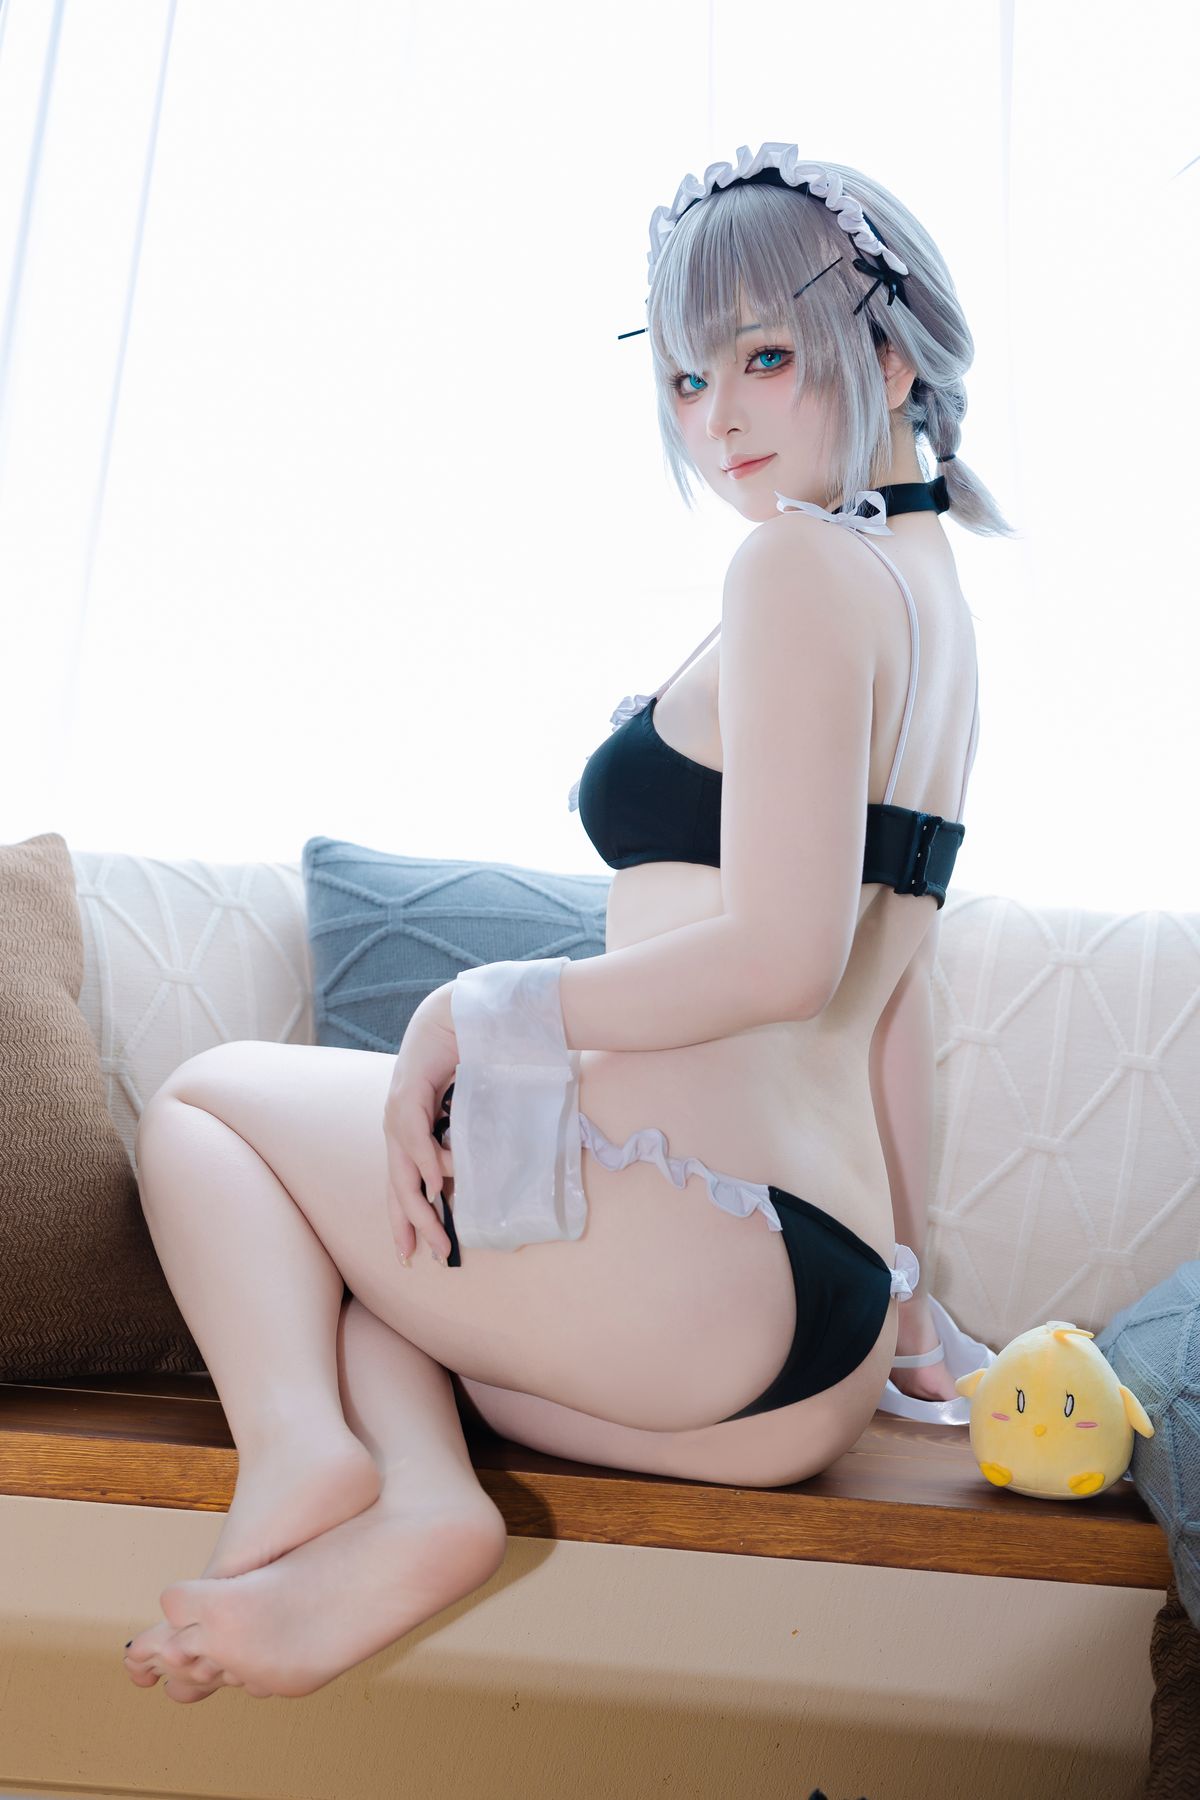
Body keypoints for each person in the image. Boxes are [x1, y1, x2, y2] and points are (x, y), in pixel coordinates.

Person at [122, 144, 1015, 1703]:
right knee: (379, 1225)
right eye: (685, 377)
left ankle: (299, 1455)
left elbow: (787, 960)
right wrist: (913, 1292)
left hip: (700, 1279)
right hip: (810, 1360)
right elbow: (891, 998)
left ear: (886, 358)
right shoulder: (931, 595)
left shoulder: (797, 568)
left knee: (204, 1108)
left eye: (762, 358)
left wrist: (480, 1006)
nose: (717, 417)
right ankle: (419, 1497)